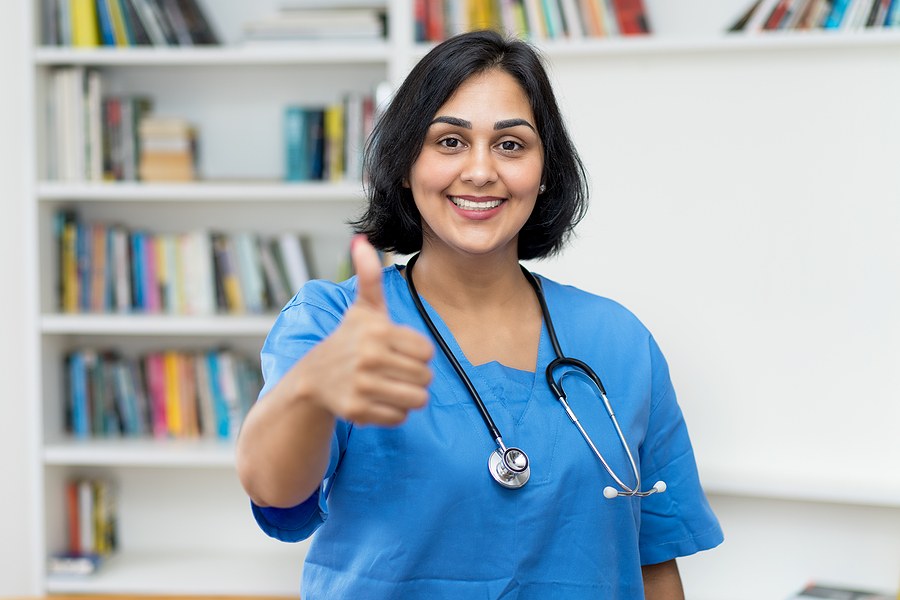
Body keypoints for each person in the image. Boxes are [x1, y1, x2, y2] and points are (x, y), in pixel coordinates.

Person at [236, 29, 723, 599]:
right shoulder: (332, 322)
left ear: (544, 173)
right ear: (403, 164)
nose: (480, 170)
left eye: (511, 145)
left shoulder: (618, 340)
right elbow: (273, 488)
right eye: (449, 141)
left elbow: (654, 562)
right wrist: (310, 390)